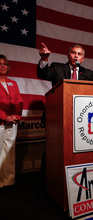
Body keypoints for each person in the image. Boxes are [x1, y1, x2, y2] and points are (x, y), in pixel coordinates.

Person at [36, 43, 93, 199]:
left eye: (79, 54)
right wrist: (44, 59)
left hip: (81, 121)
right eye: (73, 53)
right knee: (51, 153)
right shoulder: (57, 67)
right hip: (57, 118)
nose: (76, 56)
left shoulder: (88, 73)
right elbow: (43, 74)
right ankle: (46, 186)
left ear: (83, 58)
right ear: (68, 55)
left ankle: (76, 186)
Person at [0, 54, 23, 188]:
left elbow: (19, 102)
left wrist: (16, 116)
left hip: (12, 122)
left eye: (4, 64)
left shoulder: (13, 83)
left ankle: (8, 181)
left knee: (9, 151)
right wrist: (4, 117)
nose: (2, 66)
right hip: (1, 121)